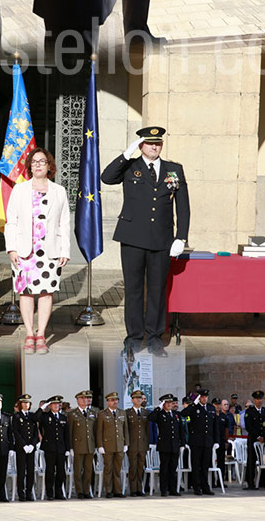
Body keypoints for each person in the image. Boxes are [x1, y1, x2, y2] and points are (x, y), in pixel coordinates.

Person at [101, 124, 190, 355]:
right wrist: (125, 155)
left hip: (161, 239)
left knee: (157, 290)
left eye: (158, 143)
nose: (154, 147)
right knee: (133, 290)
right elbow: (106, 177)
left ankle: (154, 338)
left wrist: (181, 236)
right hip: (132, 237)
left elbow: (183, 206)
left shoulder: (174, 169)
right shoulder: (130, 166)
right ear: (141, 145)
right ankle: (133, 338)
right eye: (150, 143)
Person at [5, 146, 70, 353]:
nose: (38, 165)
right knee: (25, 293)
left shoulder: (59, 191)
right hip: (24, 250)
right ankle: (29, 334)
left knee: (45, 293)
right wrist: (11, 249)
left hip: (49, 250)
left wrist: (65, 250)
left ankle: (41, 334)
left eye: (42, 161)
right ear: (30, 166)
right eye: (34, 162)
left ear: (49, 165)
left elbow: (64, 223)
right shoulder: (19, 189)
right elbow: (11, 222)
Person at [36, 397, 70, 501]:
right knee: (50, 471)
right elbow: (35, 418)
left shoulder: (63, 417)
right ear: (50, 405)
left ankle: (59, 492)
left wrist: (68, 448)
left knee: (61, 472)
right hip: (49, 448)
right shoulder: (45, 416)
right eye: (54, 404)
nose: (56, 406)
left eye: (58, 404)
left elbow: (66, 434)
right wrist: (43, 407)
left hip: (61, 448)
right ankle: (50, 493)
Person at [96, 392, 129, 498]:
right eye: (113, 400)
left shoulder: (122, 413)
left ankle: (118, 491)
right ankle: (109, 490)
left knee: (117, 469)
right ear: (108, 402)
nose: (115, 402)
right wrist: (100, 445)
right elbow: (99, 431)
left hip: (119, 445)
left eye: (116, 400)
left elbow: (125, 429)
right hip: (108, 445)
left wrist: (126, 443)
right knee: (108, 469)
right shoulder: (102, 414)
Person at [149, 394, 182, 497]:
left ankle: (173, 489)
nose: (169, 405)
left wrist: (182, 443)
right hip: (164, 445)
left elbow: (180, 429)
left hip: (174, 445)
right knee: (164, 468)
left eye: (170, 403)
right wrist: (158, 407)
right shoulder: (160, 414)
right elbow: (151, 418)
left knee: (173, 468)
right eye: (167, 403)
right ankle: (163, 489)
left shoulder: (176, 414)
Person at [183, 391, 215, 495]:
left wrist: (215, 440)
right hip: (196, 441)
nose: (205, 399)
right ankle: (197, 487)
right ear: (199, 398)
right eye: (202, 397)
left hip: (207, 441)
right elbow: (184, 414)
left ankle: (205, 486)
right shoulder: (194, 408)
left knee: (205, 466)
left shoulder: (210, 408)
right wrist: (193, 404)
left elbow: (214, 425)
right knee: (196, 465)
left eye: (206, 396)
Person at [68, 392, 96, 500]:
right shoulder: (72, 414)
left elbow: (95, 430)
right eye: (82, 398)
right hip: (78, 445)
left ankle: (86, 490)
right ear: (77, 400)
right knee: (78, 469)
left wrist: (96, 445)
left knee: (88, 470)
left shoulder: (92, 413)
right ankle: (79, 491)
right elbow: (70, 431)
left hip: (90, 445)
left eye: (86, 398)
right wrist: (70, 447)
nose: (85, 400)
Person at [11, 395, 39, 502]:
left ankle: (29, 493)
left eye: (28, 403)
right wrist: (23, 445)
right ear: (20, 404)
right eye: (24, 402)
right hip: (21, 448)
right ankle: (21, 494)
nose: (26, 404)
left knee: (31, 471)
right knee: (21, 471)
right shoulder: (17, 416)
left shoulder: (32, 416)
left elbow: (35, 432)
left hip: (31, 448)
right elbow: (16, 432)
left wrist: (32, 445)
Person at [126, 390, 149, 496]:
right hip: (132, 444)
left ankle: (140, 488)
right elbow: (126, 430)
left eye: (140, 398)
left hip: (142, 444)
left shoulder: (145, 412)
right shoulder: (128, 412)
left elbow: (147, 430)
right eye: (136, 398)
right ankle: (133, 489)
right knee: (133, 467)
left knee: (141, 467)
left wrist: (147, 444)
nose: (138, 400)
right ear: (132, 400)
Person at [244, 390, 265, 489]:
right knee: (251, 460)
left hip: (263, 440)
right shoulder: (249, 411)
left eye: (261, 399)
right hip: (253, 439)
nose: (259, 401)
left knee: (264, 460)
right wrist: (258, 437)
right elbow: (249, 426)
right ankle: (250, 482)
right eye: (257, 399)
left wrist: (264, 437)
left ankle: (262, 481)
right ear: (254, 400)